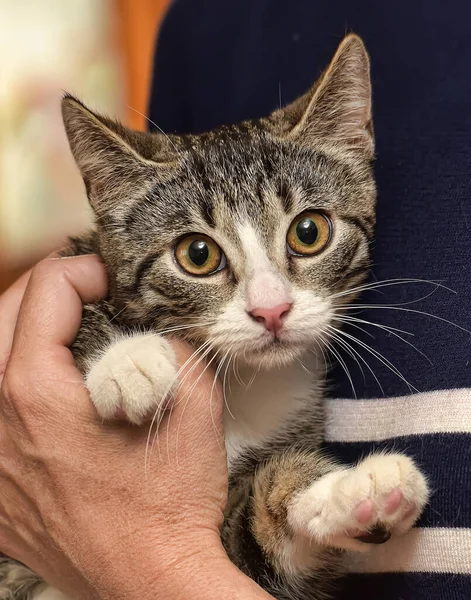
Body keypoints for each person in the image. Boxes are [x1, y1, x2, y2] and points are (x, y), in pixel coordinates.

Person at [0, 1, 470, 599]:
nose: (269, 304)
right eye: (201, 256)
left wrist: (296, 513)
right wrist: (108, 360)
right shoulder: (203, 25)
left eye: (307, 235)